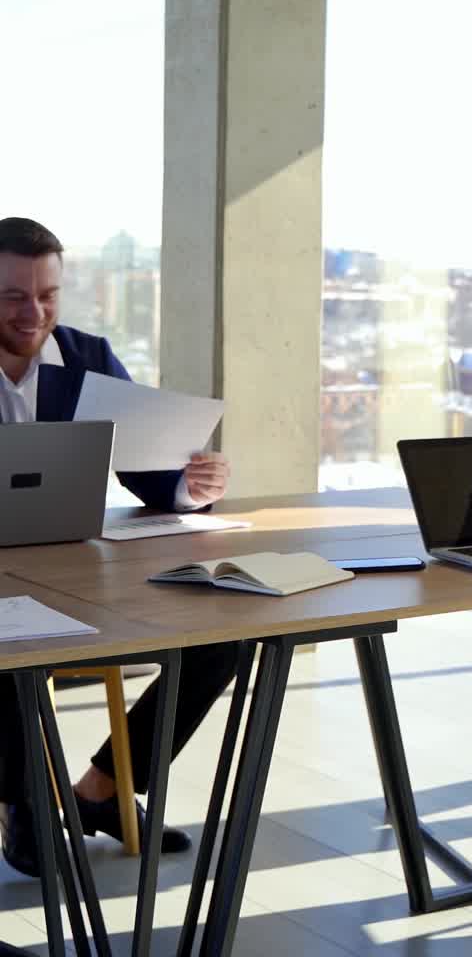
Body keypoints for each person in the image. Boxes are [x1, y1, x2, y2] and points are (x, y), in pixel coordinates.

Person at [0, 216, 239, 878]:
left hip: (78, 568)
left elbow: (152, 472)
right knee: (17, 654)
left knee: (226, 636)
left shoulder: (85, 357)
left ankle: (101, 790)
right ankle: (26, 813)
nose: (35, 312)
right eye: (14, 296)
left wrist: (192, 486)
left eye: (48, 294)